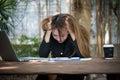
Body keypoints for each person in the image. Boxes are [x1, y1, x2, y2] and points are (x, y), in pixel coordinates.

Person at [36, 13, 90, 80]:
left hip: (75, 70)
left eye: (62, 35)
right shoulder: (49, 33)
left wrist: (72, 32)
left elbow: (84, 56)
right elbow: (42, 55)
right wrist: (49, 31)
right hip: (56, 69)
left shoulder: (78, 32)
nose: (59, 39)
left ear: (67, 31)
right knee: (42, 77)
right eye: (55, 35)